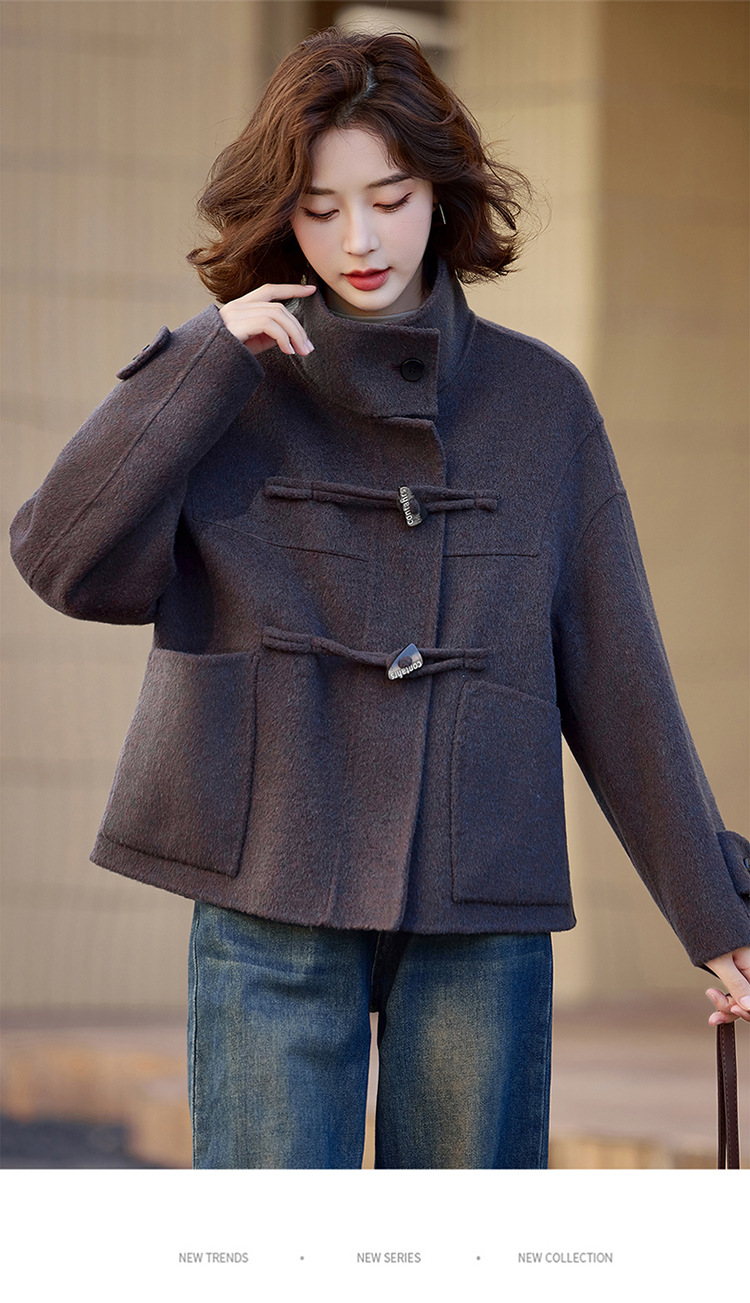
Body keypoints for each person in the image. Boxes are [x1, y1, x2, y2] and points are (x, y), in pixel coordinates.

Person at [9, 28, 750, 1170]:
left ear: (440, 194)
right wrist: (204, 357)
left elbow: (617, 670)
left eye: (391, 198)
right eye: (320, 208)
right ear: (283, 215)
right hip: (268, 875)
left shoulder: (541, 403)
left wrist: (715, 911)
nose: (359, 239)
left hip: (477, 890)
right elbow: (61, 555)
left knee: (461, 1252)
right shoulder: (228, 387)